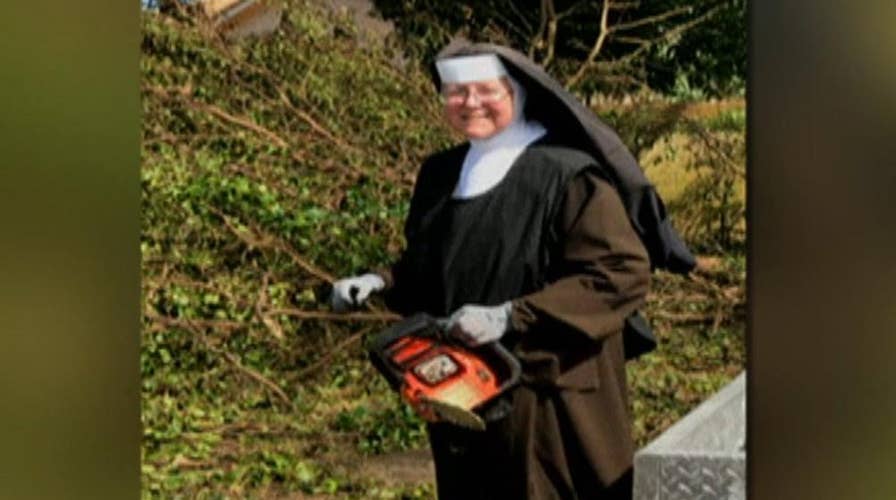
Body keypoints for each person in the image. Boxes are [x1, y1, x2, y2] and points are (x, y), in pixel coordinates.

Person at [330, 41, 694, 500]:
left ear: (516, 93)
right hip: (465, 387)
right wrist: (378, 282)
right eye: (456, 92)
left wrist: (509, 316)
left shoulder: (568, 174)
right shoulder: (440, 174)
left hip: (551, 395)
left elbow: (619, 273)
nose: (469, 103)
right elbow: (432, 268)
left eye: (486, 90)